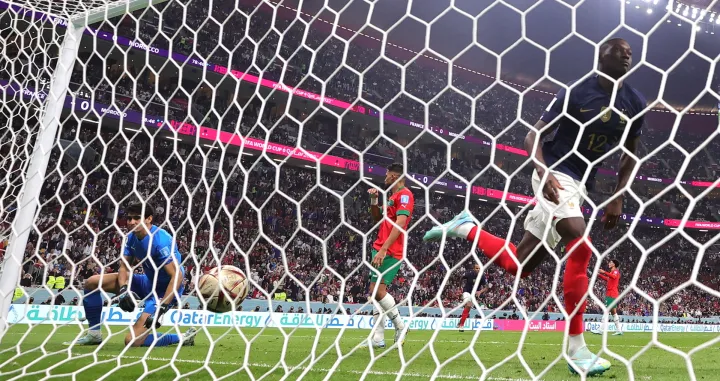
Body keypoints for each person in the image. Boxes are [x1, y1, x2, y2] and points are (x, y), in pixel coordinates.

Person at [423, 38, 645, 376]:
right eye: (620, 52)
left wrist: (618, 194)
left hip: (581, 184)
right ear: (602, 57)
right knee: (581, 242)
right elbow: (533, 136)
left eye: (630, 52)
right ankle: (577, 348)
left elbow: (631, 153)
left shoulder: (634, 102)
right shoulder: (576, 92)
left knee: (520, 265)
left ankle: (466, 227)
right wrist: (543, 172)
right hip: (555, 173)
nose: (627, 56)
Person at [64, 203, 196, 347]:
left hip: (165, 291)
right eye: (129, 218)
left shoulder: (161, 240)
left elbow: (176, 276)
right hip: (147, 282)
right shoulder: (132, 237)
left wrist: (162, 307)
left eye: (137, 218)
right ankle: (94, 334)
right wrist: (123, 291)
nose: (131, 222)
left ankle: (181, 337)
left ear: (149, 219)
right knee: (92, 282)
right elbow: (124, 268)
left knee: (132, 341)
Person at [362, 163, 414, 349]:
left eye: (386, 174)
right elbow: (378, 219)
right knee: (374, 291)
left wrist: (384, 249)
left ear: (393, 176)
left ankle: (400, 326)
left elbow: (400, 224)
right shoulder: (392, 197)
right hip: (380, 247)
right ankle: (378, 338)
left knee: (377, 291)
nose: (384, 176)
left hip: (390, 250)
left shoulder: (405, 195)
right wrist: (374, 200)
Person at [592, 259, 622, 336]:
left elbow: (614, 277)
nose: (609, 263)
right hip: (612, 293)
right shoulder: (612, 272)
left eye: (611, 262)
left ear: (614, 264)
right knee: (613, 312)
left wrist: (604, 272)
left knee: (606, 310)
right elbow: (608, 279)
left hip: (611, 294)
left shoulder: (615, 271)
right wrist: (599, 275)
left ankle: (601, 330)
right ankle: (619, 330)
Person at [457, 263, 490, 332]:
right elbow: (461, 278)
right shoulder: (469, 274)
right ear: (474, 269)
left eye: (479, 268)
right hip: (466, 291)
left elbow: (487, 287)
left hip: (474, 294)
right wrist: (459, 289)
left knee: (468, 308)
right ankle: (461, 326)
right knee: (468, 304)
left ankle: (461, 322)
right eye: (477, 268)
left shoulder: (482, 276)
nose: (478, 270)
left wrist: (480, 292)